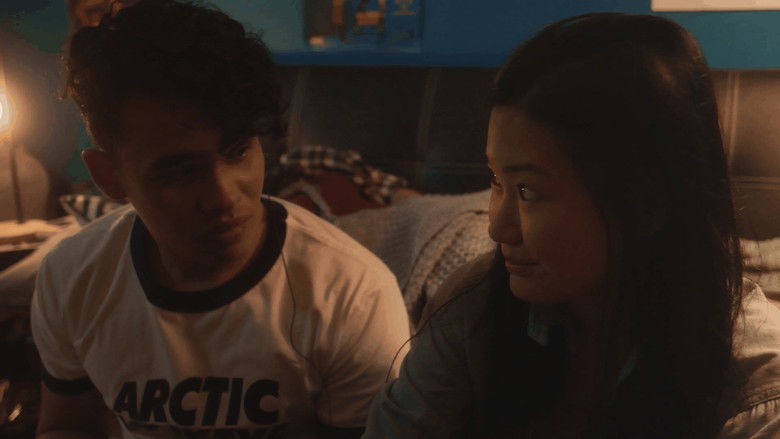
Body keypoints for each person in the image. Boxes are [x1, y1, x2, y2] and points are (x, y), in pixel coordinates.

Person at [362, 13, 780, 439]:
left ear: (645, 203)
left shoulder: (759, 391)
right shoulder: (474, 306)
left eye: (527, 190)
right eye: (496, 181)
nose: (499, 229)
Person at [30, 1, 410, 438]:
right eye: (181, 171)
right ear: (109, 177)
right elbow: (66, 427)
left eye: (238, 151)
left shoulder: (351, 294)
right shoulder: (70, 276)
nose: (223, 196)